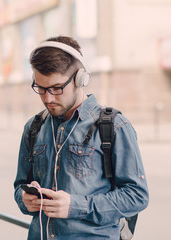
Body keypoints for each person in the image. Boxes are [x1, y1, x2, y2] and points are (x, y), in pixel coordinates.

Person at [14, 36, 149, 240]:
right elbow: (19, 186)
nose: (47, 98)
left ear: (80, 78)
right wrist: (25, 200)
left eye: (57, 88)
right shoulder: (34, 127)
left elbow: (136, 196)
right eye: (40, 88)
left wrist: (76, 206)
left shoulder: (114, 127)